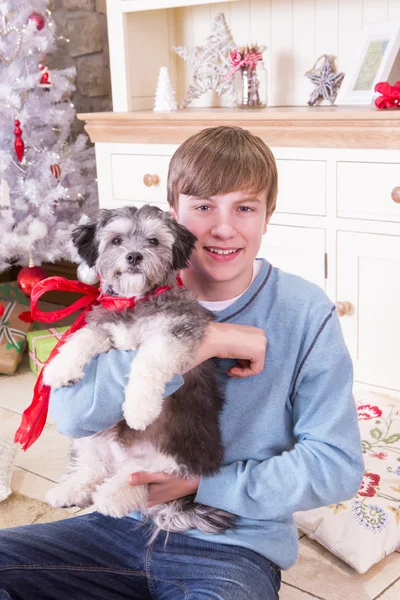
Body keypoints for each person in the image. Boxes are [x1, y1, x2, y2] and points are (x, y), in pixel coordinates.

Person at [0, 126, 364, 600]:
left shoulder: (305, 311)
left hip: (231, 544)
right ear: (174, 216)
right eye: (203, 205)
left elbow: (336, 465)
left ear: (268, 217)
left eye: (245, 208)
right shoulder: (121, 296)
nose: (223, 227)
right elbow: (71, 416)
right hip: (113, 527)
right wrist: (207, 340)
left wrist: (198, 485)